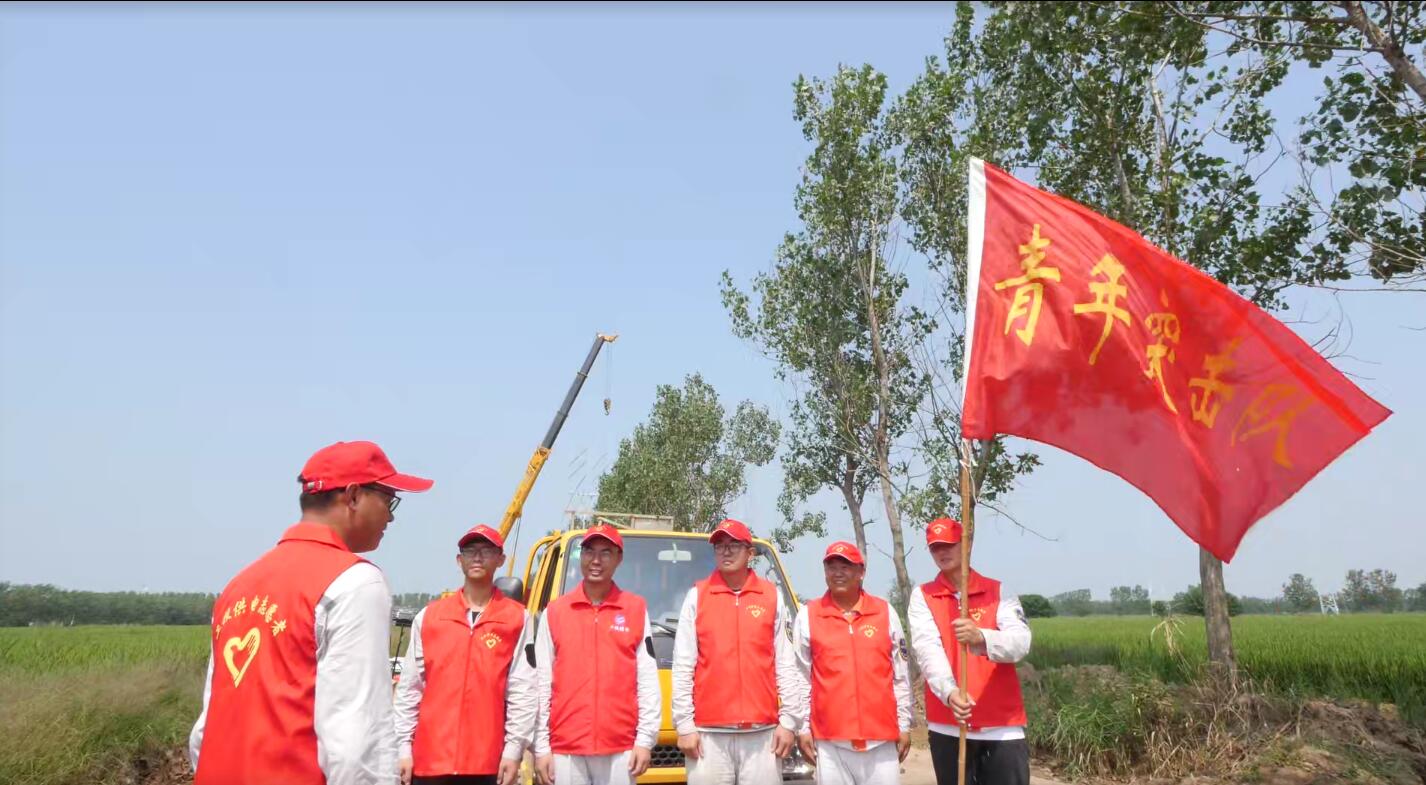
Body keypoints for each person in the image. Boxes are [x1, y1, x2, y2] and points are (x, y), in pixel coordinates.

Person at [189, 440, 433, 785]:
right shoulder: (354, 582)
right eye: (388, 499)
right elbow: (357, 740)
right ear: (353, 496)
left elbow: (205, 728)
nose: (391, 516)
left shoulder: (238, 587)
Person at [394, 524, 536, 785]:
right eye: (470, 551)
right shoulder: (430, 617)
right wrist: (403, 747)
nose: (478, 557)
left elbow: (522, 689)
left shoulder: (516, 618)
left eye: (486, 550)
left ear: (501, 559)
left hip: (486, 762)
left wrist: (514, 750)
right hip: (430, 760)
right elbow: (410, 688)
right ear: (459, 560)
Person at [671, 518, 803, 784]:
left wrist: (789, 722)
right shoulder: (697, 596)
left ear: (750, 553)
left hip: (762, 735)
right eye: (720, 546)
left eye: (733, 545)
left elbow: (786, 663)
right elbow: (683, 665)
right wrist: (684, 725)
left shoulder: (771, 597)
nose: (726, 551)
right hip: (708, 736)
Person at [906, 518, 1032, 785]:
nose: (942, 552)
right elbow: (927, 649)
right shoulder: (923, 596)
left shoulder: (998, 591)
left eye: (949, 545)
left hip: (1001, 725)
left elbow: (1021, 643)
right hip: (948, 724)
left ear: (967, 544)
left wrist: (982, 637)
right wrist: (949, 692)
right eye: (935, 547)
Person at [533, 524, 661, 785]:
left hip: (621, 748)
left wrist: (645, 740)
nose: (596, 560)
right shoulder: (555, 612)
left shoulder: (635, 609)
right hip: (566, 747)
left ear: (619, 558)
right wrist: (541, 746)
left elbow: (647, 680)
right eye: (589, 551)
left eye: (605, 553)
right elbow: (540, 683)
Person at [792, 541, 911, 785]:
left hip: (881, 740)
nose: (838, 572)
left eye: (845, 566)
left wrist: (904, 724)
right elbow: (800, 678)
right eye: (831, 566)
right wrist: (802, 728)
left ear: (861, 571)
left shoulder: (885, 612)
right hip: (830, 742)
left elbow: (901, 675)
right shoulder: (808, 615)